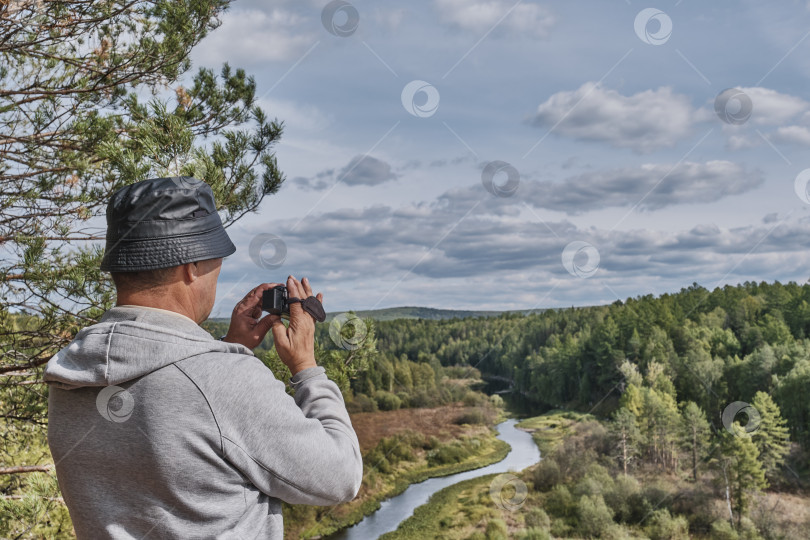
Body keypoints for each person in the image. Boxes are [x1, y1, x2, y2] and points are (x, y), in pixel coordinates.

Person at [44, 177, 362, 539]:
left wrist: (228, 346)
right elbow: (340, 475)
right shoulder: (223, 380)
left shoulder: (69, 373)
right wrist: (307, 369)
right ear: (191, 266)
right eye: (216, 261)